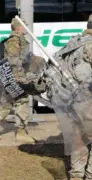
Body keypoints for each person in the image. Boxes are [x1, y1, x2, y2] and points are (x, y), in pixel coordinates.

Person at [0, 17, 36, 144]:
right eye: (24, 26)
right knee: (22, 101)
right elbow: (13, 60)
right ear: (18, 28)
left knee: (6, 104)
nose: (26, 29)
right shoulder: (14, 41)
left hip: (12, 78)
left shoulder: (19, 40)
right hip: (15, 78)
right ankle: (21, 133)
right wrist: (19, 78)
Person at [66, 14, 92, 180]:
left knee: (79, 141)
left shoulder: (72, 44)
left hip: (75, 102)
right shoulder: (90, 46)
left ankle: (76, 175)